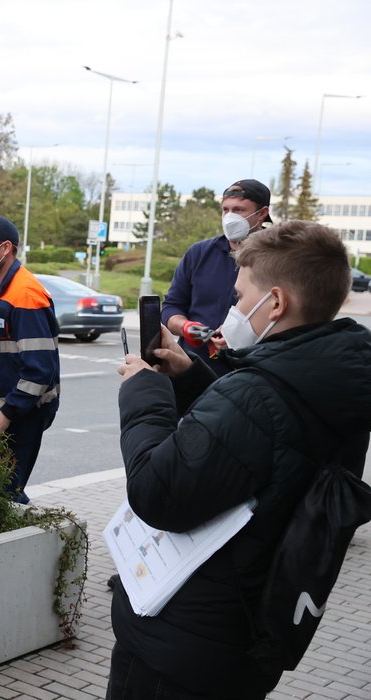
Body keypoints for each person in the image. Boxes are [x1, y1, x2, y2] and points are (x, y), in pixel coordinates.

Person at [110, 220, 371, 699]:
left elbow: (158, 492)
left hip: (184, 642)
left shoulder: (255, 393)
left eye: (239, 295)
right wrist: (191, 378)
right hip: (246, 631)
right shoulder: (335, 380)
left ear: (275, 302)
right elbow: (264, 443)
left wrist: (144, 392)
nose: (232, 308)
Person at [0, 216, 60, 504]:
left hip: (19, 415)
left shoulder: (26, 295)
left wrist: (6, 415)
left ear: (5, 248)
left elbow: (40, 371)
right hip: (0, 410)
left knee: (2, 492)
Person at [162, 179, 273, 375]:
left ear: (262, 213)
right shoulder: (199, 253)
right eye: (225, 210)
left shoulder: (278, 259)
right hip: (192, 368)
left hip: (248, 373)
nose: (230, 217)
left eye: (239, 210)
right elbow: (171, 306)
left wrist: (240, 337)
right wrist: (186, 326)